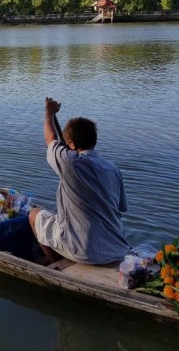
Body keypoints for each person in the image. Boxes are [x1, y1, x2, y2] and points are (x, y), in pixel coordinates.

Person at [29, 97, 130, 265]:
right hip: (117, 248)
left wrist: (49, 112)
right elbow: (120, 208)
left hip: (84, 251)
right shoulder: (112, 169)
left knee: (33, 214)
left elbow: (51, 140)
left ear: (72, 145)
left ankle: (55, 262)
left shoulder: (72, 163)